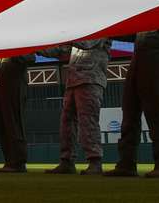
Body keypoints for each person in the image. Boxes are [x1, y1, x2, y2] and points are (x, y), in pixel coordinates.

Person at [105, 28, 159, 178]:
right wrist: (109, 31)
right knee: (129, 110)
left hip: (157, 55)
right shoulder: (145, 18)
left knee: (155, 109)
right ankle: (126, 163)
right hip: (138, 55)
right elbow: (133, 34)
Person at [39, 39, 111, 175]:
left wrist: (66, 34)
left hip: (90, 79)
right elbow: (60, 50)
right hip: (73, 81)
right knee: (67, 123)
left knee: (88, 122)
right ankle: (67, 161)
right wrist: (36, 46)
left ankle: (95, 161)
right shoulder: (77, 36)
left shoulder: (99, 29)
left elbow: (87, 43)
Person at [0, 54, 35, 173]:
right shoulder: (2, 51)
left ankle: (18, 162)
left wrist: (14, 54)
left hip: (15, 87)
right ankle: (10, 161)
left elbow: (30, 57)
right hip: (4, 88)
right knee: (4, 125)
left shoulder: (19, 43)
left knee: (14, 123)